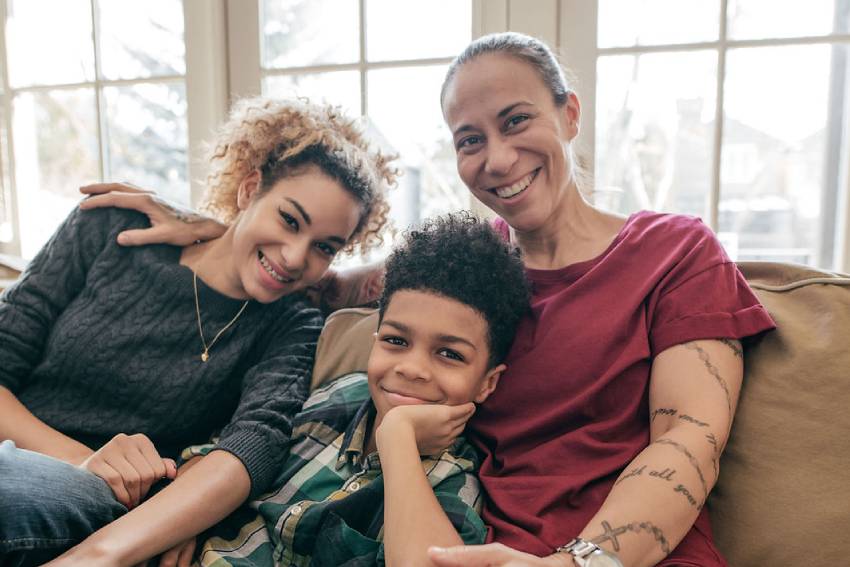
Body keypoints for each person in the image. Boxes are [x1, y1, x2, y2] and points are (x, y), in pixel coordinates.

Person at [74, 32, 776, 567]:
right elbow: (315, 273)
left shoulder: (675, 251)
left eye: (517, 121)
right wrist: (216, 228)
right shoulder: (469, 271)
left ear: (569, 113)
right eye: (470, 140)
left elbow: (690, 439)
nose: (496, 159)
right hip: (457, 544)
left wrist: (574, 562)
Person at [0, 96, 395, 567]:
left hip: (97, 505)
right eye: (289, 220)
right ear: (249, 190)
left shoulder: (291, 325)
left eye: (323, 247)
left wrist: (170, 509)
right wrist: (85, 459)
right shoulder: (112, 227)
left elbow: (255, 444)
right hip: (46, 464)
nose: (293, 256)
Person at [181, 212, 530, 567]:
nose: (410, 368)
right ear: (375, 340)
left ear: (488, 382)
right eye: (396, 340)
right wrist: (186, 517)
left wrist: (398, 437)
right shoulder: (334, 397)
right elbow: (223, 454)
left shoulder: (452, 484)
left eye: (448, 354)